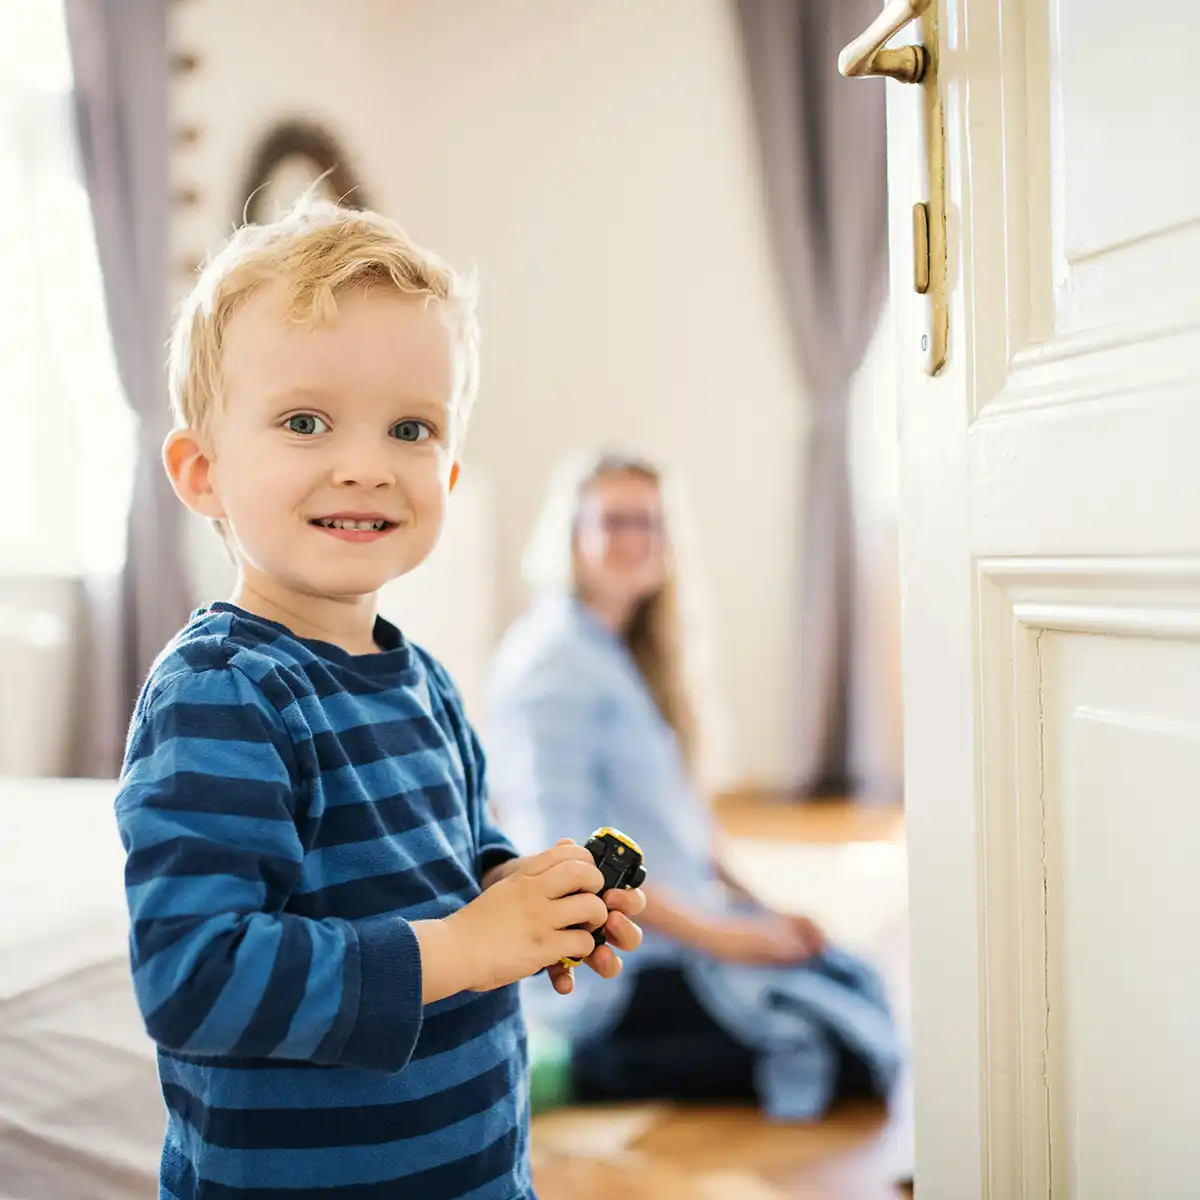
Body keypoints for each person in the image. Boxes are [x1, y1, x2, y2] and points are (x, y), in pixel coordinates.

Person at [113, 198, 645, 1199]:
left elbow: (458, 862)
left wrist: (532, 900)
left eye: (410, 428)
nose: (364, 466)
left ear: (448, 471)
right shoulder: (222, 692)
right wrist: (463, 947)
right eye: (304, 422)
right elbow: (195, 979)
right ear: (203, 472)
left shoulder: (424, 680)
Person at [486, 449, 903, 1120]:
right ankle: (575, 1069)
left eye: (649, 522)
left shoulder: (624, 649)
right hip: (623, 964)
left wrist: (762, 910)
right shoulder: (552, 665)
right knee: (845, 1046)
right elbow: (568, 856)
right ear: (571, 536)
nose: (635, 539)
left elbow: (684, 825)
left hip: (686, 921)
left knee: (855, 978)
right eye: (614, 521)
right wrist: (722, 937)